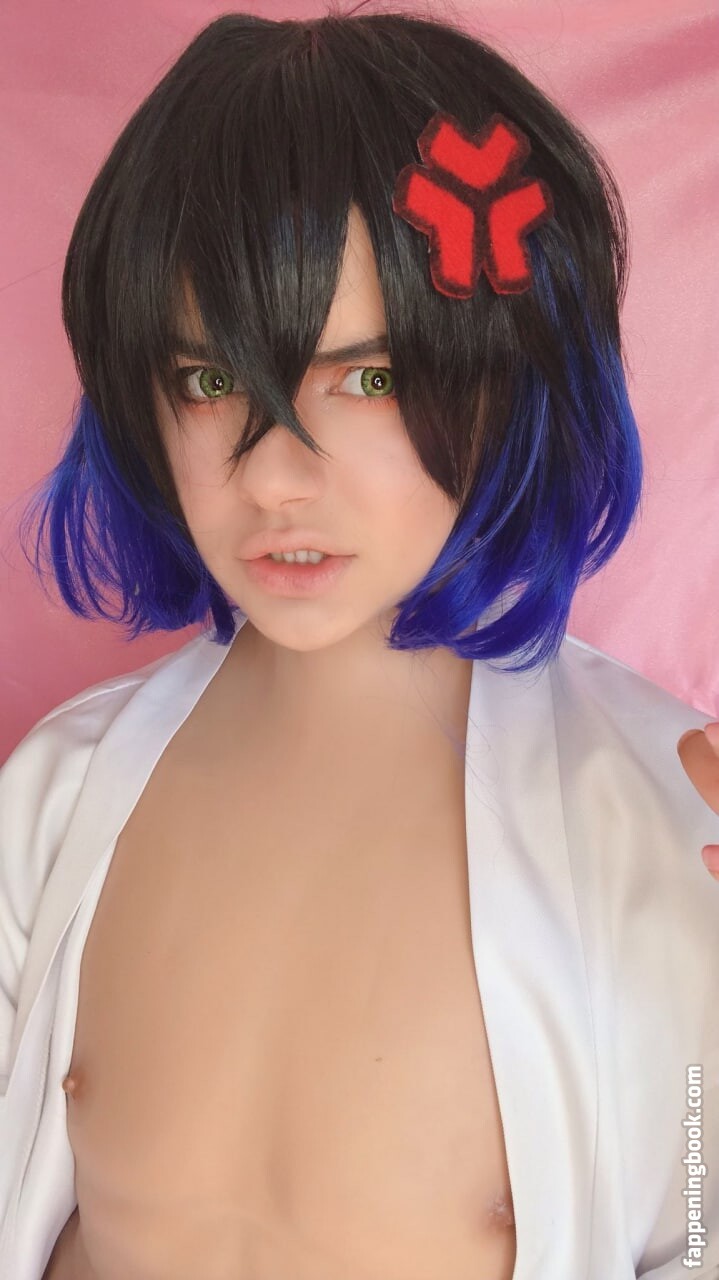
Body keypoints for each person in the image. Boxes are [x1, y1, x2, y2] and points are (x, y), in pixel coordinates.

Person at [1, 6, 717, 1278]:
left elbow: (701, 1227)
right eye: (211, 380)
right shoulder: (53, 797)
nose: (274, 477)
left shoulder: (664, 826)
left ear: (504, 374)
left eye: (371, 377)